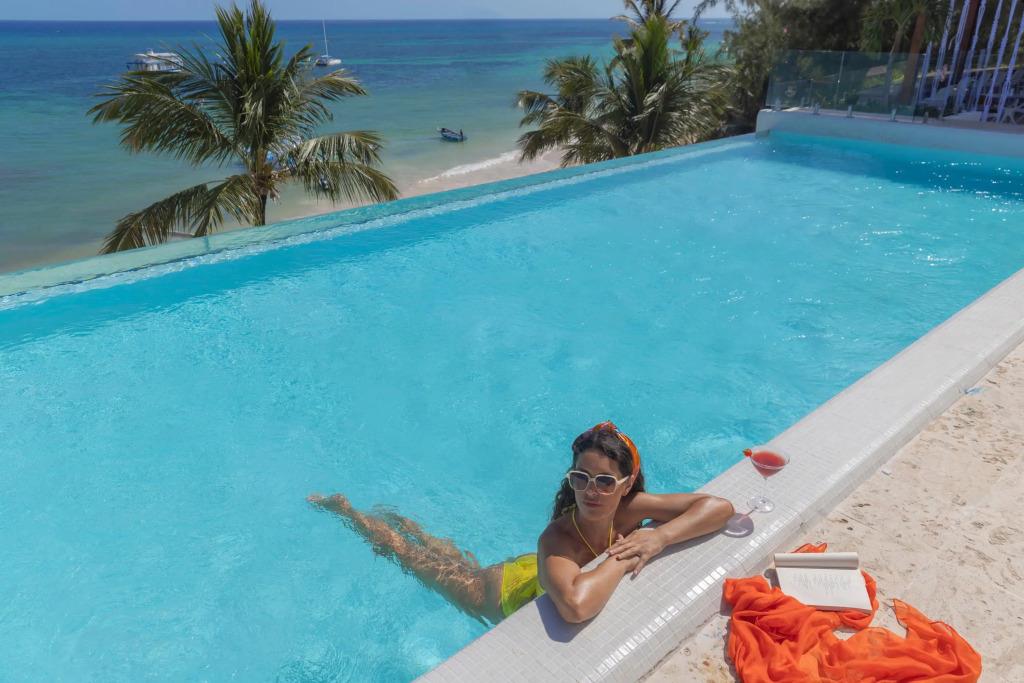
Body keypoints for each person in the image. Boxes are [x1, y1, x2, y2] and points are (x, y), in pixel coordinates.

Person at [308, 421, 734, 624]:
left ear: (626, 485)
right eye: (581, 478)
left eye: (605, 481)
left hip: (540, 572)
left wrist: (659, 538)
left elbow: (719, 507)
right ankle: (349, 512)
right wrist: (626, 553)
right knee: (405, 554)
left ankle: (405, 521)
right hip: (496, 593)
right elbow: (576, 606)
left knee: (447, 556)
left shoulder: (633, 507)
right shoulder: (558, 536)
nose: (591, 491)